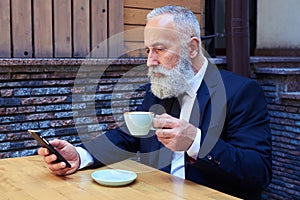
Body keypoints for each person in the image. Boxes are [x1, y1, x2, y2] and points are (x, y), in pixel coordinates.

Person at [38, 5, 271, 199]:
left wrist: (197, 142)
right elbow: (129, 135)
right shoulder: (161, 88)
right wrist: (81, 155)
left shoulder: (241, 92)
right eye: (148, 50)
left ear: (192, 47)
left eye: (159, 49)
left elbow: (258, 172)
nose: (150, 61)